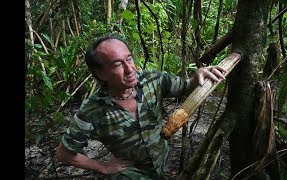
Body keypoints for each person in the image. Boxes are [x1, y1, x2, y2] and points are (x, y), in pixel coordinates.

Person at [55, 34, 226, 179]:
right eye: (117, 64)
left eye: (129, 59)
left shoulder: (153, 80)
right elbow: (63, 155)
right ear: (100, 73)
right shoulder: (92, 110)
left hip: (161, 165)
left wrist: (198, 76)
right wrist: (103, 167)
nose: (130, 69)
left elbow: (185, 87)